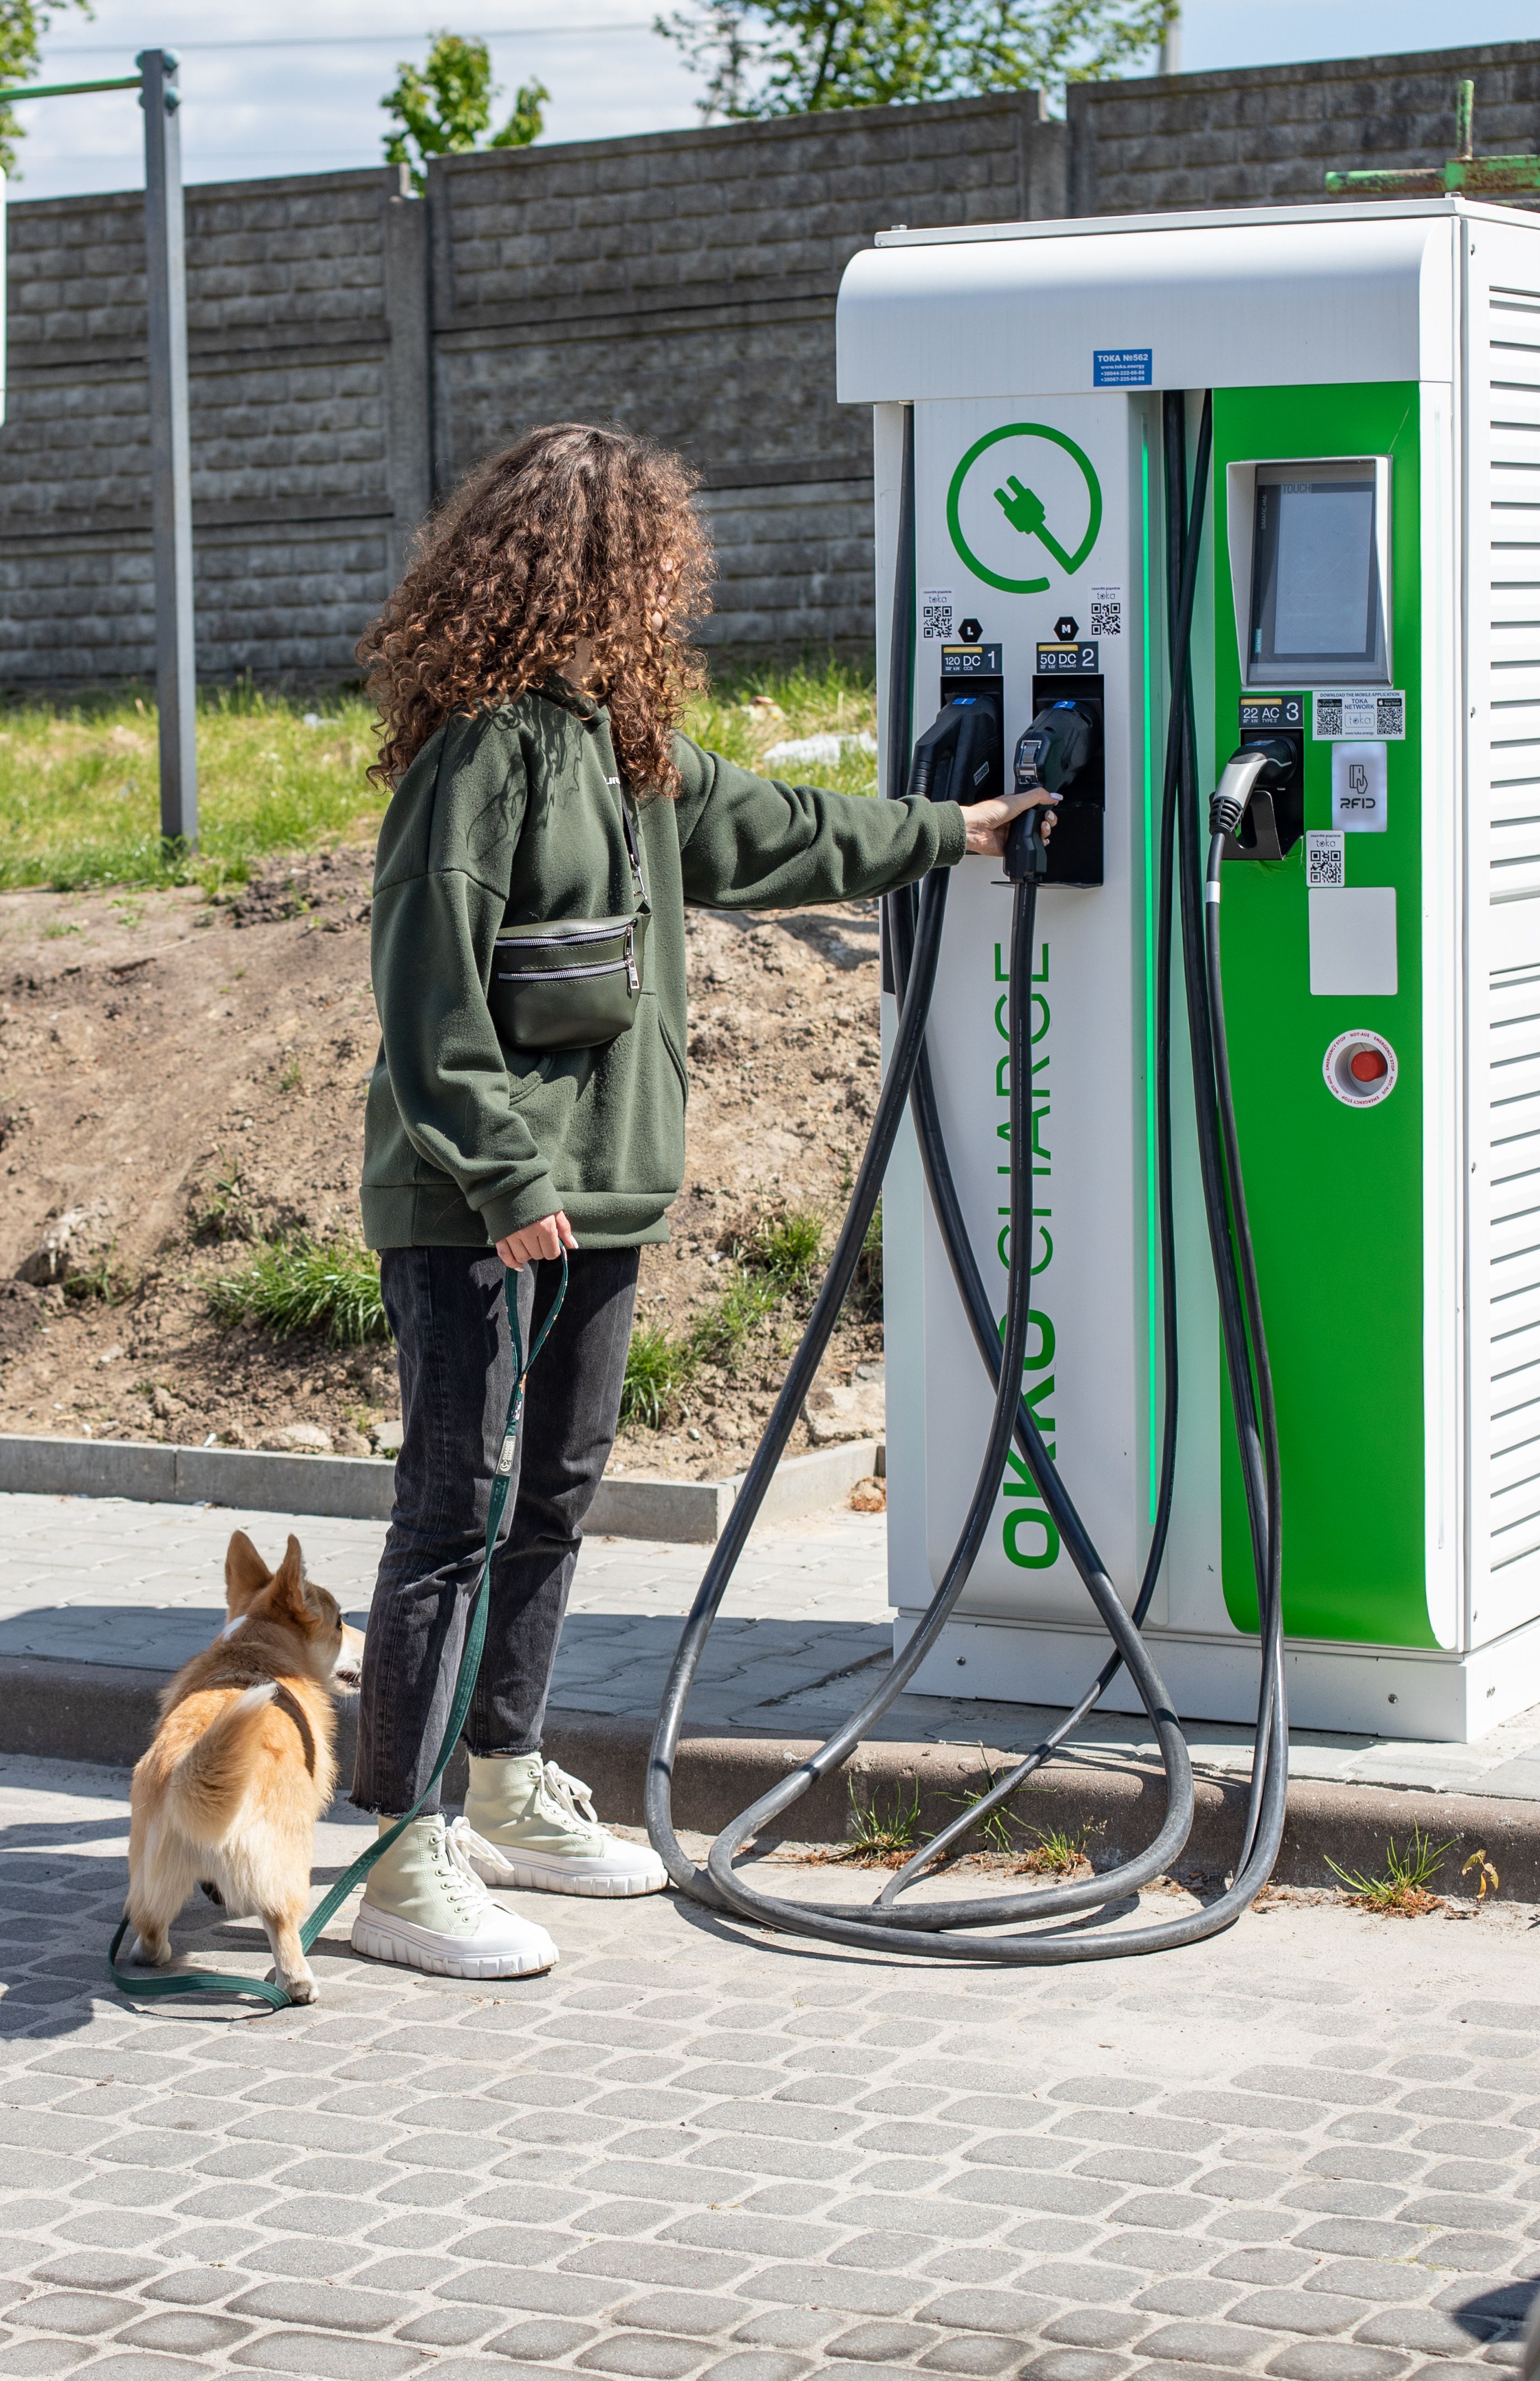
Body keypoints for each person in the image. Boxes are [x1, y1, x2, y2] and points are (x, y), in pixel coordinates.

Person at [343, 422, 1054, 1978]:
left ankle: (508, 1779)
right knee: (451, 1516)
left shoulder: (626, 749)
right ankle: (401, 1849)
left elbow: (783, 829)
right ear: (582, 572)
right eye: (649, 570)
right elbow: (426, 989)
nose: (668, 600)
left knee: (555, 1494)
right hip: (482, 1201)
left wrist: (959, 831)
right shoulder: (487, 750)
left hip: (599, 1193)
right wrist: (510, 1172)